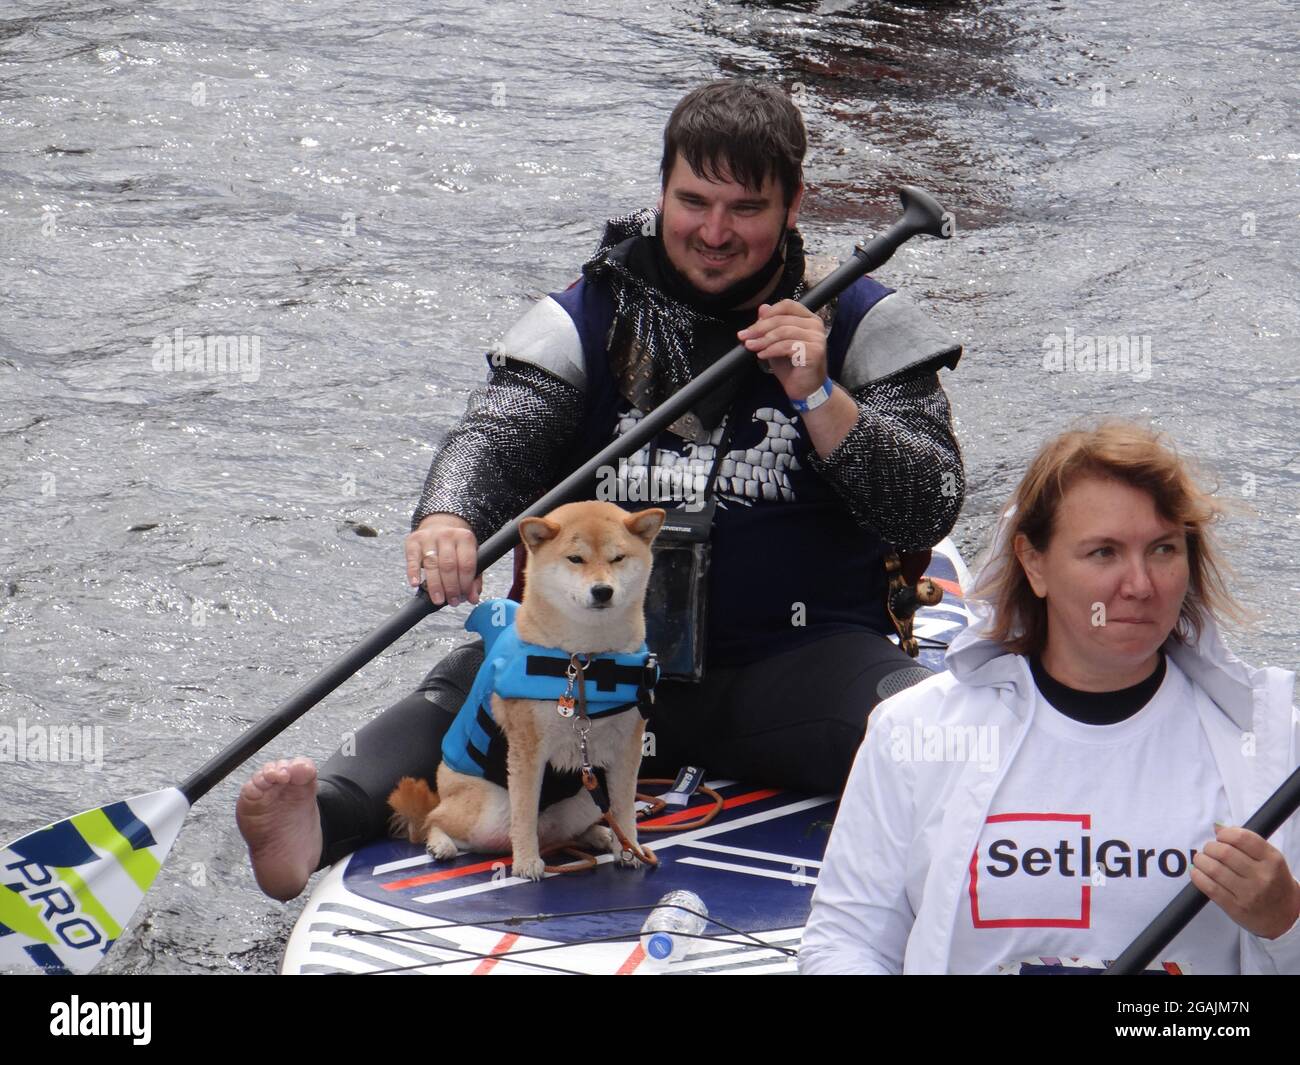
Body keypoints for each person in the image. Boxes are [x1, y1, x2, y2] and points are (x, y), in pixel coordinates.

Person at [237, 78, 965, 901]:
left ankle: (987, 836)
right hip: (584, 667)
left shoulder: (861, 321)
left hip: (789, 673)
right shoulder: (587, 316)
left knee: (929, 730)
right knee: (462, 691)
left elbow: (928, 502)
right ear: (661, 190)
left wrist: (819, 395)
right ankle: (320, 818)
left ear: (794, 202)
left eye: (746, 209)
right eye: (693, 201)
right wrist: (449, 514)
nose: (715, 232)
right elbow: (496, 434)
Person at [799, 421, 1300, 974]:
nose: (1139, 584)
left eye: (1162, 549)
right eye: (1104, 552)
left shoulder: (1272, 745)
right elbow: (847, 944)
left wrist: (1286, 921)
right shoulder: (914, 731)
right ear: (1033, 563)